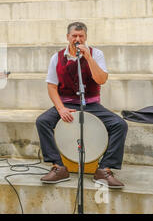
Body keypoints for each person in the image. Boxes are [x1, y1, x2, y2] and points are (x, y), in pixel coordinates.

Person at [35, 22, 128, 188]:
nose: (77, 39)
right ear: (68, 37)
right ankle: (58, 167)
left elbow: (101, 79)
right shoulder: (56, 57)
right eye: (74, 36)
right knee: (42, 121)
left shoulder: (96, 54)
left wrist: (88, 58)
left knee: (119, 125)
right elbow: (51, 86)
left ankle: (104, 170)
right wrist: (61, 108)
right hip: (67, 104)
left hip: (91, 105)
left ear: (85, 37)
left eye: (81, 36)